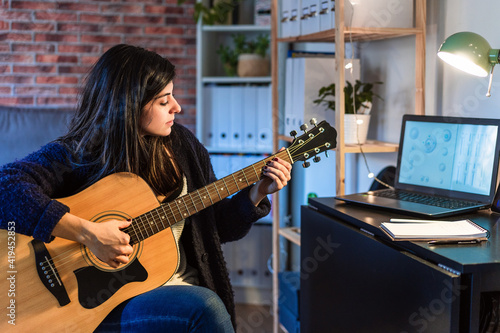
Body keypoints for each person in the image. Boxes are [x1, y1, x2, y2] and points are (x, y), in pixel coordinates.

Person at [0, 44, 291, 332]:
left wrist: (257, 192)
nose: (177, 107)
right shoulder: (80, 153)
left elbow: (218, 229)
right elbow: (6, 187)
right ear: (128, 105)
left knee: (203, 305)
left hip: (182, 285)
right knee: (205, 307)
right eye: (164, 101)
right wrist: (89, 234)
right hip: (110, 303)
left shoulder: (183, 144)